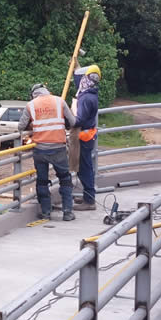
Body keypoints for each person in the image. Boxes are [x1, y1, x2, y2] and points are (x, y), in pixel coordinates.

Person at [18, 84, 77, 221]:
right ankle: (67, 212)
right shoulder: (59, 101)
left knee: (42, 181)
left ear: (33, 94)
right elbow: (73, 122)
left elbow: (20, 126)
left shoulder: (30, 105)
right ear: (47, 91)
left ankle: (46, 212)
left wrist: (32, 124)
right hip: (58, 148)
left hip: (40, 149)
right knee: (65, 179)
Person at [71, 65, 101, 211]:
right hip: (88, 135)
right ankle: (87, 196)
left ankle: (89, 200)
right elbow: (79, 81)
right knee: (85, 167)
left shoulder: (85, 98)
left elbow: (80, 119)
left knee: (85, 168)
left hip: (83, 136)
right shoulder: (91, 93)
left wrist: (68, 121)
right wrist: (77, 67)